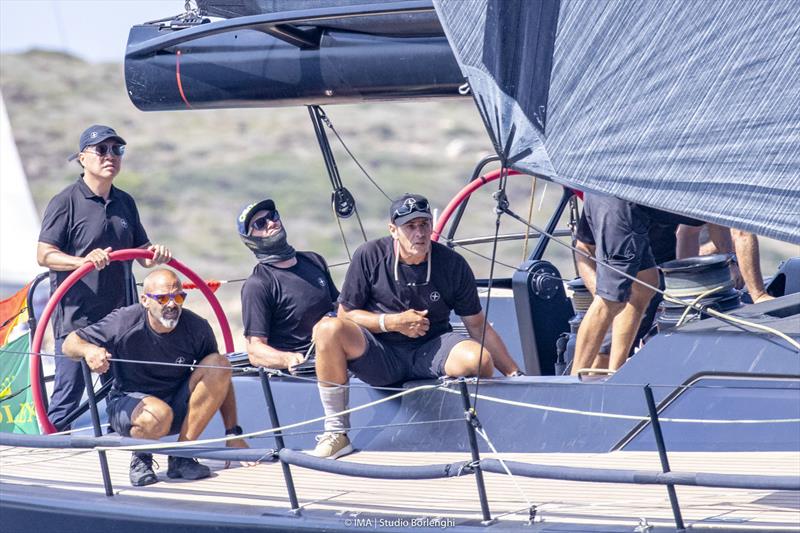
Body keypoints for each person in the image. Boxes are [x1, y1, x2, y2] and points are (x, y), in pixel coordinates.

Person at [311, 193, 522, 459]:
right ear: (393, 230)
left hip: (431, 348)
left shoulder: (452, 264)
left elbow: (478, 326)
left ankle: (471, 428)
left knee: (477, 360)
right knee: (328, 329)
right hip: (382, 353)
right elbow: (346, 314)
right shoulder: (369, 255)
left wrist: (516, 377)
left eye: (424, 224)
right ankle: (336, 432)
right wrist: (391, 322)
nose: (419, 233)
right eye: (410, 226)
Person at [37, 125, 172, 430]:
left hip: (120, 318)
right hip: (76, 318)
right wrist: (81, 262)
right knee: (68, 398)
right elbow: (44, 254)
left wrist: (155, 254)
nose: (110, 156)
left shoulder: (125, 202)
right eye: (101, 150)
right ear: (83, 158)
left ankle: (123, 454)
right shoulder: (66, 202)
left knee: (122, 392)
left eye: (117, 150)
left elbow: (141, 252)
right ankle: (51, 458)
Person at [62, 269, 233, 486]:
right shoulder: (124, 320)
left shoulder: (197, 327)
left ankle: (181, 455)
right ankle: (141, 458)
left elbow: (221, 378)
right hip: (131, 406)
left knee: (220, 364)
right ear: (144, 300)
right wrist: (89, 351)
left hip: (177, 407)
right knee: (157, 414)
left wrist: (233, 431)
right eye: (162, 298)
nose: (172, 305)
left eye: (178, 297)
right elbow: (70, 343)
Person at [571, 193, 710, 374]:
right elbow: (741, 234)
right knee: (611, 300)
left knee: (646, 282)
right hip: (622, 199)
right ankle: (571, 382)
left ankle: (615, 373)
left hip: (630, 204)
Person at [237, 198, 339, 369]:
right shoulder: (258, 284)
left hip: (338, 351)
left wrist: (328, 321)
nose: (271, 223)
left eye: (273, 216)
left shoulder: (314, 260)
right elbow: (255, 350)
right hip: (304, 368)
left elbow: (340, 305)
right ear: (250, 240)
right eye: (261, 223)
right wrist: (287, 359)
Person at [676, 224, 774, 303]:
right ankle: (758, 295)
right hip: (677, 274)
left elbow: (689, 231)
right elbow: (742, 233)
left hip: (683, 277)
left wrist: (730, 261)